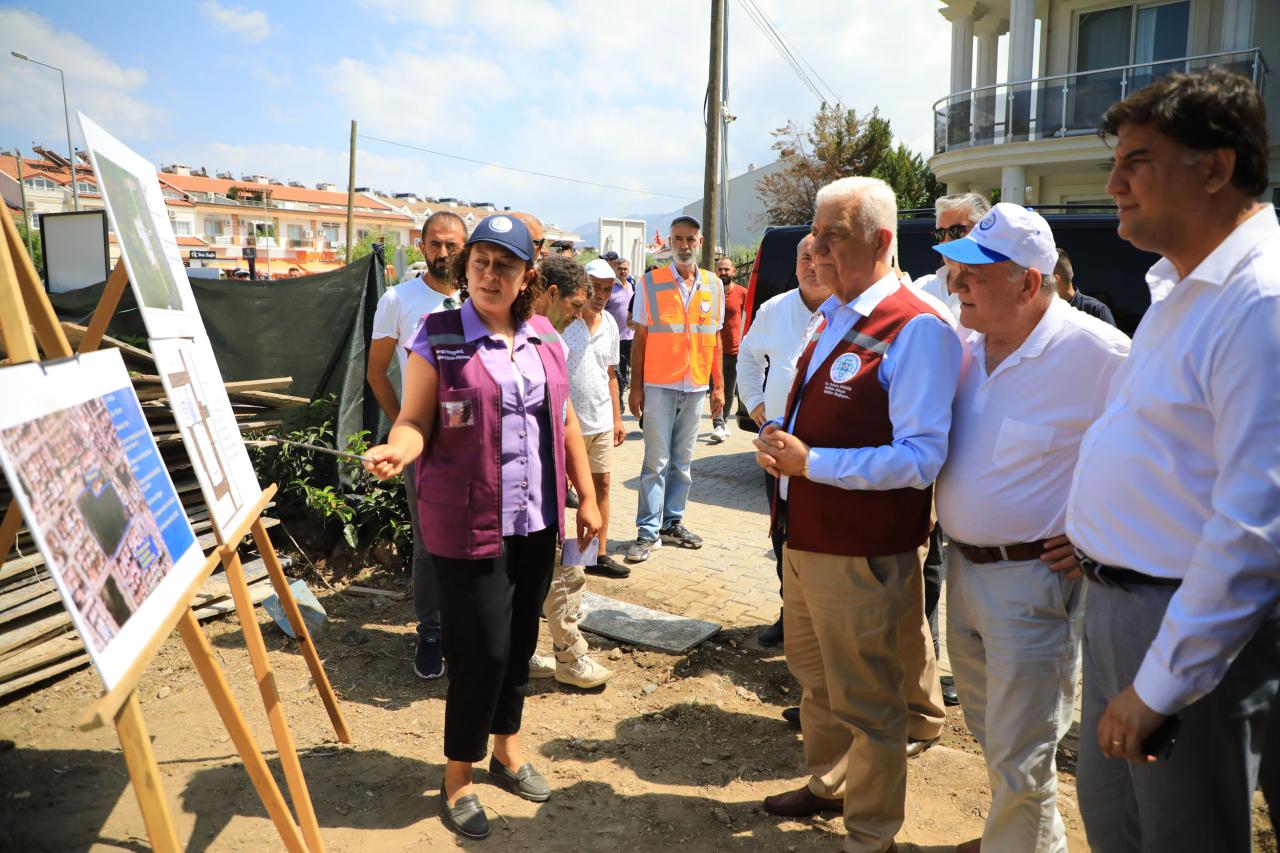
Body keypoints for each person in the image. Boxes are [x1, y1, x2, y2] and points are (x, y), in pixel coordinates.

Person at [1064, 68, 1280, 853]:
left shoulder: (1259, 301)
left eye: (1138, 161)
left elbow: (1254, 529)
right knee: (1117, 820)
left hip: (1181, 624)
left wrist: (1160, 683)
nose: (1115, 184)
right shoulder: (1185, 286)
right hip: (1124, 606)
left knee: (1180, 835)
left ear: (1216, 167)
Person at [363, 214, 601, 841]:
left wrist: (589, 495)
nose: (490, 275)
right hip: (467, 521)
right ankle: (458, 774)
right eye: (481, 263)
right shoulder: (436, 336)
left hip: (536, 520)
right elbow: (414, 418)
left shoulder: (546, 336)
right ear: (466, 267)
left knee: (521, 642)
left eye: (506, 265)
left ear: (527, 277)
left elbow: (568, 419)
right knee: (481, 651)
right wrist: (400, 449)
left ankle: (508, 748)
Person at [755, 176, 961, 853]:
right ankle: (827, 782)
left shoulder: (917, 327)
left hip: (860, 549)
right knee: (816, 682)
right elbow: (814, 406)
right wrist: (778, 437)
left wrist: (810, 463)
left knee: (870, 703)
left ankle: (871, 835)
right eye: (814, 234)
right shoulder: (834, 313)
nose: (816, 249)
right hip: (807, 538)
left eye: (832, 236)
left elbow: (920, 459)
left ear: (880, 240)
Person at [933, 203, 1130, 853]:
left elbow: (1153, 459)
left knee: (1023, 749)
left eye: (975, 275)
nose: (957, 285)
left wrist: (1091, 533)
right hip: (961, 571)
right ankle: (1025, 837)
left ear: (1027, 283)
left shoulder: (1098, 353)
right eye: (956, 270)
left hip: (1033, 583)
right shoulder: (962, 344)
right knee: (995, 734)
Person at [367, 210, 468, 681]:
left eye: (452, 244)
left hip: (476, 443)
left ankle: (473, 626)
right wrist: (405, 427)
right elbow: (376, 372)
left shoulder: (480, 299)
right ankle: (431, 631)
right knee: (429, 541)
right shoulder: (398, 299)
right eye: (435, 244)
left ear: (464, 247)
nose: (443, 252)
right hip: (424, 446)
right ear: (421, 246)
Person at [522, 256, 619, 690]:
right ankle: (566, 657)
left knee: (570, 567)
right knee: (556, 572)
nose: (578, 315)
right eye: (575, 304)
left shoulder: (554, 341)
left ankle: (555, 651)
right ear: (550, 293)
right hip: (531, 484)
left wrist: (587, 495)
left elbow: (566, 422)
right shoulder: (523, 339)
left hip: (559, 477)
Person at [737, 234, 828, 648]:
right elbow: (748, 358)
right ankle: (791, 613)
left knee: (822, 540)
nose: (812, 265)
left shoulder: (846, 310)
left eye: (820, 257)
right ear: (795, 265)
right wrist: (754, 401)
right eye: (804, 257)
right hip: (777, 447)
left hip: (826, 452)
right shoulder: (774, 310)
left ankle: (820, 621)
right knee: (782, 534)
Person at [625, 215, 724, 562]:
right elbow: (640, 337)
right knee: (656, 462)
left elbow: (714, 338)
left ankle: (672, 523)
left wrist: (719, 388)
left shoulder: (714, 285)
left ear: (699, 244)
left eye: (690, 240)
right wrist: (634, 388)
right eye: (678, 239)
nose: (684, 246)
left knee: (683, 463)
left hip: (695, 384)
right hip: (659, 385)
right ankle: (647, 532)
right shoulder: (650, 283)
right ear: (670, 242)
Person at [913, 192, 990, 322]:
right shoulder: (921, 287)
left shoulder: (994, 295)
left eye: (957, 231)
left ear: (983, 232)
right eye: (941, 233)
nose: (947, 240)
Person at [708, 257, 746, 444]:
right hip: (712, 350)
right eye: (720, 269)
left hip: (734, 349)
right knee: (716, 387)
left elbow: (749, 319)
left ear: (734, 272)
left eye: (726, 269)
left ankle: (723, 421)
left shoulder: (742, 293)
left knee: (729, 390)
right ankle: (718, 424)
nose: (723, 273)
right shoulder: (709, 293)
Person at [1052, 248, 1117, 326]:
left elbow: (1111, 338)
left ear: (1056, 279)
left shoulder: (1097, 311)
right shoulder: (1044, 311)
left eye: (1042, 277)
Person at [602, 255, 635, 394]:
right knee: (618, 370)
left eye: (625, 269)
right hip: (616, 338)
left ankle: (627, 388)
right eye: (620, 269)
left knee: (629, 367)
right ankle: (619, 398)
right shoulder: (611, 289)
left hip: (631, 336)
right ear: (615, 270)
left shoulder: (632, 287)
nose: (623, 272)